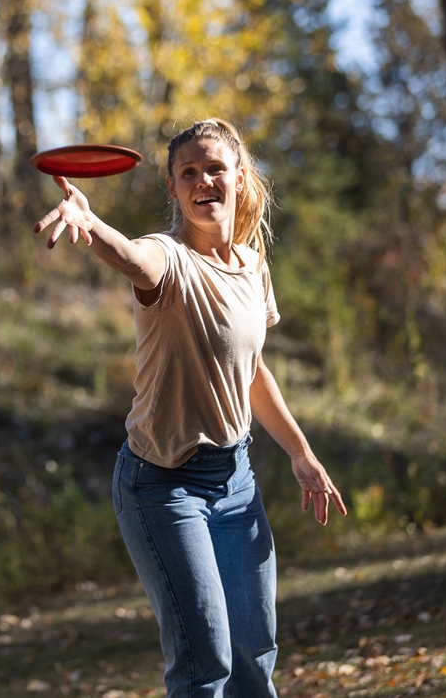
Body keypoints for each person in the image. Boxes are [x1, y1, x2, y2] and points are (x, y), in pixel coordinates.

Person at [33, 118, 346, 698]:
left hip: (237, 481)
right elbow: (131, 257)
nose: (204, 180)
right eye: (188, 173)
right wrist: (91, 223)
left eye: (215, 168)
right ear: (174, 189)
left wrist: (301, 453)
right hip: (162, 486)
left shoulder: (252, 267)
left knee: (254, 655)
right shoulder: (168, 259)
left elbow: (249, 369)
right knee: (205, 666)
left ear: (240, 177)